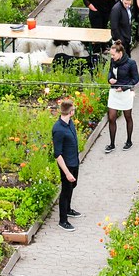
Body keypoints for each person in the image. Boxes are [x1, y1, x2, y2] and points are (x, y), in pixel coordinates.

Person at [52, 99, 82, 231]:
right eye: (73, 109)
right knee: (65, 190)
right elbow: (58, 154)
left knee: (73, 186)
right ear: (70, 112)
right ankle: (62, 220)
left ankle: (68, 209)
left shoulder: (70, 123)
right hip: (67, 165)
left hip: (74, 161)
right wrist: (67, 172)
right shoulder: (58, 129)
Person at [105, 40, 139, 152]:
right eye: (111, 55)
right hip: (114, 92)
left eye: (113, 55)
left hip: (125, 93)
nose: (112, 56)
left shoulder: (131, 63)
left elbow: (135, 79)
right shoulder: (113, 61)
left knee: (127, 117)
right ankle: (111, 144)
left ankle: (129, 141)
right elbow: (110, 72)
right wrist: (110, 79)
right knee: (111, 117)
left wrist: (124, 87)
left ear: (120, 53)